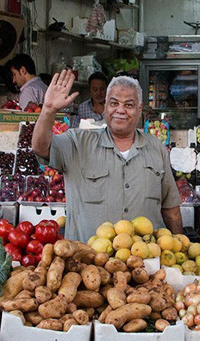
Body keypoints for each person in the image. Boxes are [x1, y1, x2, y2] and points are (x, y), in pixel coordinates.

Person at [32, 70, 183, 242]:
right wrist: (48, 110)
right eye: (114, 103)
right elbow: (40, 148)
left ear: (139, 109)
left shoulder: (156, 148)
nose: (120, 110)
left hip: (145, 261)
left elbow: (171, 209)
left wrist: (181, 249)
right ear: (105, 107)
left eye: (128, 105)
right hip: (87, 264)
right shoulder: (78, 143)